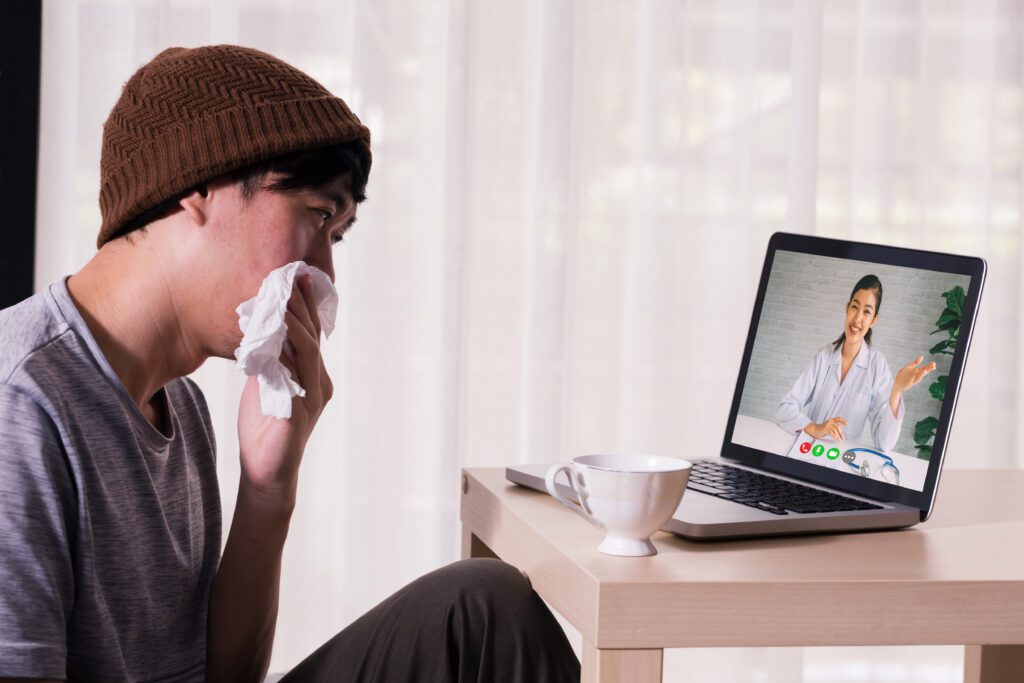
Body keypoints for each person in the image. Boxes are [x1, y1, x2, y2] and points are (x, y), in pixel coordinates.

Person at [0, 44, 579, 682]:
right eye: (318, 215)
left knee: (481, 609)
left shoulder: (180, 404)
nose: (324, 273)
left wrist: (268, 490)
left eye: (336, 237)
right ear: (199, 188)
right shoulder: (19, 403)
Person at [775, 274, 936, 453]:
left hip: (840, 462)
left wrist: (896, 391)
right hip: (806, 451)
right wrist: (816, 428)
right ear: (847, 309)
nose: (857, 318)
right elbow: (785, 409)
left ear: (874, 320)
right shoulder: (823, 357)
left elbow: (884, 444)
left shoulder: (877, 367)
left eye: (867, 311)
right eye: (855, 307)